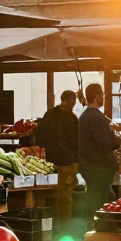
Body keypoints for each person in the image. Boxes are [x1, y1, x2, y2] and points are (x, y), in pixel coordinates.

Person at [36, 90, 80, 230]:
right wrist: (74, 156)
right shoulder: (72, 118)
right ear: (71, 101)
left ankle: (50, 224)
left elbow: (40, 135)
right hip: (66, 162)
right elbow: (75, 141)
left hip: (49, 163)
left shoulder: (49, 114)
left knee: (50, 194)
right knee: (65, 197)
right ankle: (64, 226)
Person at [79, 83, 121, 222]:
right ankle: (96, 227)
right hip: (99, 167)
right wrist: (117, 139)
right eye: (102, 94)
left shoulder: (84, 116)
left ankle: (95, 225)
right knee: (99, 200)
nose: (103, 97)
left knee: (100, 197)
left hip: (89, 164)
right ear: (96, 96)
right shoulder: (97, 118)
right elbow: (104, 143)